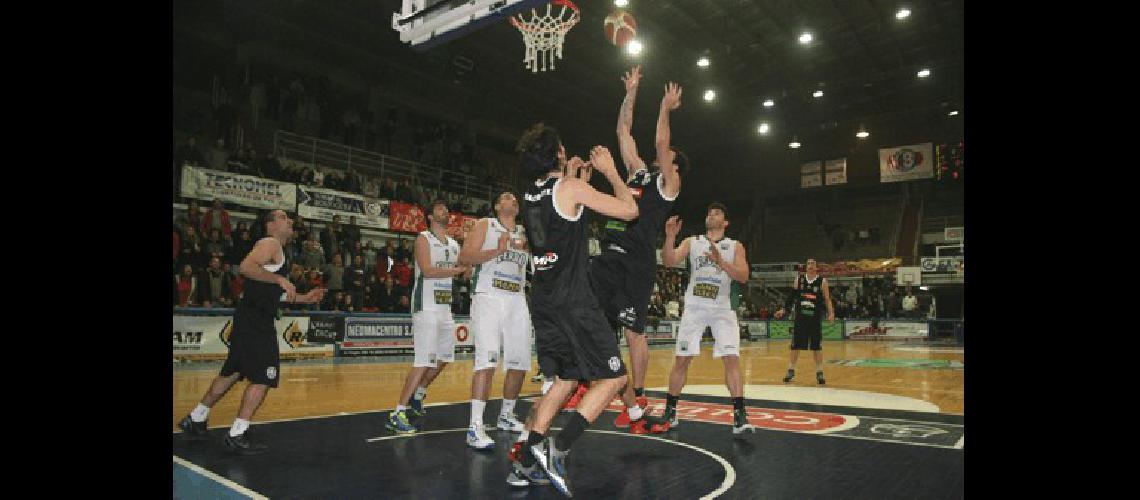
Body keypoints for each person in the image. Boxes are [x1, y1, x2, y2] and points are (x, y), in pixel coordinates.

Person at [506, 123, 639, 496]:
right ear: (559, 153)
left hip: (544, 299)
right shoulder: (571, 188)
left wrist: (573, 176)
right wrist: (611, 172)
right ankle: (559, 446)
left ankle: (526, 461)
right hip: (574, 300)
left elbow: (559, 210)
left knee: (565, 379)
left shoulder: (530, 193)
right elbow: (629, 211)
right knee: (614, 378)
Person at [176, 210, 326, 454]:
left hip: (250, 317)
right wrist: (279, 281)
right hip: (256, 321)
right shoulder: (271, 243)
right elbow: (245, 267)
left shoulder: (277, 251)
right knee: (264, 376)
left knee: (233, 371)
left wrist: (304, 298)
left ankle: (196, 417)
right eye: (282, 217)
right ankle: (237, 432)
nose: (288, 220)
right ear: (270, 225)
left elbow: (269, 292)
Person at [590, 71, 683, 433]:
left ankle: (639, 394)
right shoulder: (639, 173)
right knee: (592, 317)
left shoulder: (669, 185)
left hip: (637, 262)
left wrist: (663, 107)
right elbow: (623, 132)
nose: (661, 152)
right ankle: (585, 378)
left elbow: (661, 141)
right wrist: (631, 92)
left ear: (674, 166)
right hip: (610, 254)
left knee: (634, 331)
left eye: (668, 154)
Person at [659, 203, 756, 435]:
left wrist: (721, 262)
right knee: (682, 360)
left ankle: (740, 416)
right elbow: (669, 261)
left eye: (717, 213)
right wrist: (670, 237)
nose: (711, 215)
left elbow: (743, 276)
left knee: (731, 358)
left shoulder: (734, 246)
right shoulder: (693, 242)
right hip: (695, 307)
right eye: (709, 212)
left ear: (726, 222)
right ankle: (670, 411)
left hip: (722, 308)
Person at [386, 200, 471, 434]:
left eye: (446, 209)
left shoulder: (454, 244)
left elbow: (466, 273)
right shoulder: (424, 238)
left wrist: (470, 250)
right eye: (439, 209)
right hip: (426, 306)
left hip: (445, 308)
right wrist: (455, 270)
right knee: (423, 360)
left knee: (445, 357)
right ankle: (397, 412)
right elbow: (428, 270)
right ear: (431, 217)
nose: (445, 211)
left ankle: (419, 393)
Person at [459, 192, 532, 450]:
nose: (512, 199)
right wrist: (497, 251)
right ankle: (475, 427)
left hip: (517, 299)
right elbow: (464, 258)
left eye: (514, 197)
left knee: (519, 361)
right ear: (497, 206)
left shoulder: (525, 233)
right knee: (487, 361)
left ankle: (506, 415)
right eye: (506, 197)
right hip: (489, 296)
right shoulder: (485, 225)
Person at [775, 258, 836, 385]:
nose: (810, 265)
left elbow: (827, 299)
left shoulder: (822, 281)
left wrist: (831, 313)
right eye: (808, 264)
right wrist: (784, 309)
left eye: (813, 263)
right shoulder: (799, 279)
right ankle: (791, 370)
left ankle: (819, 372)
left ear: (816, 267)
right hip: (800, 318)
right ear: (806, 267)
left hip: (814, 319)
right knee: (795, 345)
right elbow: (791, 297)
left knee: (816, 347)